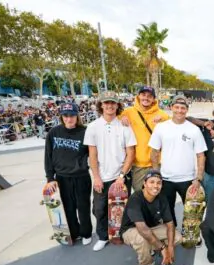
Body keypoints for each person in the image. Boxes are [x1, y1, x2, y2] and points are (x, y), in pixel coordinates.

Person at [84, 91, 137, 251]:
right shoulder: (93, 127)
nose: (110, 106)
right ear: (101, 105)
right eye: (106, 103)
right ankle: (102, 236)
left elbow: (131, 153)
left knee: (121, 209)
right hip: (102, 177)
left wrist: (122, 176)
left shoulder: (124, 126)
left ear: (117, 105)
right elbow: (92, 155)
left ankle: (121, 234)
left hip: (120, 177)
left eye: (113, 103)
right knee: (99, 209)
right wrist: (96, 178)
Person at [148, 95, 207, 236]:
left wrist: (198, 178)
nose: (180, 110)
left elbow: (201, 155)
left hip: (188, 179)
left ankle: (191, 234)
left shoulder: (194, 129)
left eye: (183, 108)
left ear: (187, 110)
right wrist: (156, 173)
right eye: (177, 107)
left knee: (192, 210)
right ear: (171, 108)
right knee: (167, 210)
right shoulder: (161, 127)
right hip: (166, 178)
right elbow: (154, 152)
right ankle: (172, 233)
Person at [44, 103, 92, 245]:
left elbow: (94, 154)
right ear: (61, 117)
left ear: (77, 116)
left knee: (83, 207)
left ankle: (86, 233)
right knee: (68, 207)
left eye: (72, 115)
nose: (69, 119)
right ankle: (74, 232)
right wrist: (49, 178)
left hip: (81, 176)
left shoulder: (85, 131)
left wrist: (85, 164)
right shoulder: (53, 133)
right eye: (66, 116)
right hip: (62, 178)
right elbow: (48, 156)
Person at [120, 170, 182, 265]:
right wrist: (162, 248)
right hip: (131, 230)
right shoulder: (135, 198)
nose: (155, 186)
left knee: (177, 237)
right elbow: (143, 229)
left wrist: (170, 247)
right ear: (144, 183)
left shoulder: (162, 198)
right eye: (152, 182)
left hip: (151, 228)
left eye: (159, 183)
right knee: (142, 239)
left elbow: (170, 225)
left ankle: (150, 247)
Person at [120, 86, 169, 191]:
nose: (146, 98)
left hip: (157, 163)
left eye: (149, 96)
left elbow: (174, 122)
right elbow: (113, 118)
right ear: (138, 96)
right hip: (139, 165)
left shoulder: (161, 114)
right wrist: (122, 118)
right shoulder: (128, 112)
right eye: (143, 95)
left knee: (156, 194)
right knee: (140, 193)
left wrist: (163, 119)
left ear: (153, 99)